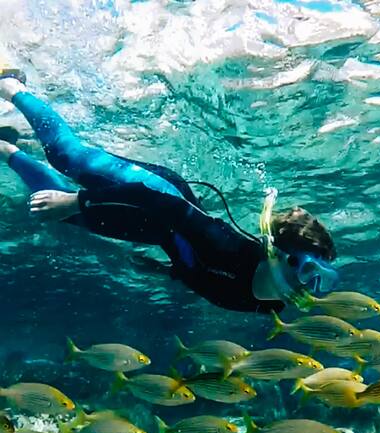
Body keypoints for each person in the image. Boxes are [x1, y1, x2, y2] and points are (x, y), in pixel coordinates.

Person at [0, 69, 338, 313]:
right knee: (68, 158)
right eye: (309, 272)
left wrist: (164, 271)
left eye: (322, 281)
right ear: (278, 254)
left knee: (60, 215)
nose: (310, 287)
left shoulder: (268, 307)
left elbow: (205, 278)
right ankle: (11, 85)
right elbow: (148, 198)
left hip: (156, 230)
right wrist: (78, 199)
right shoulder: (225, 245)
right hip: (159, 194)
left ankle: (6, 149)